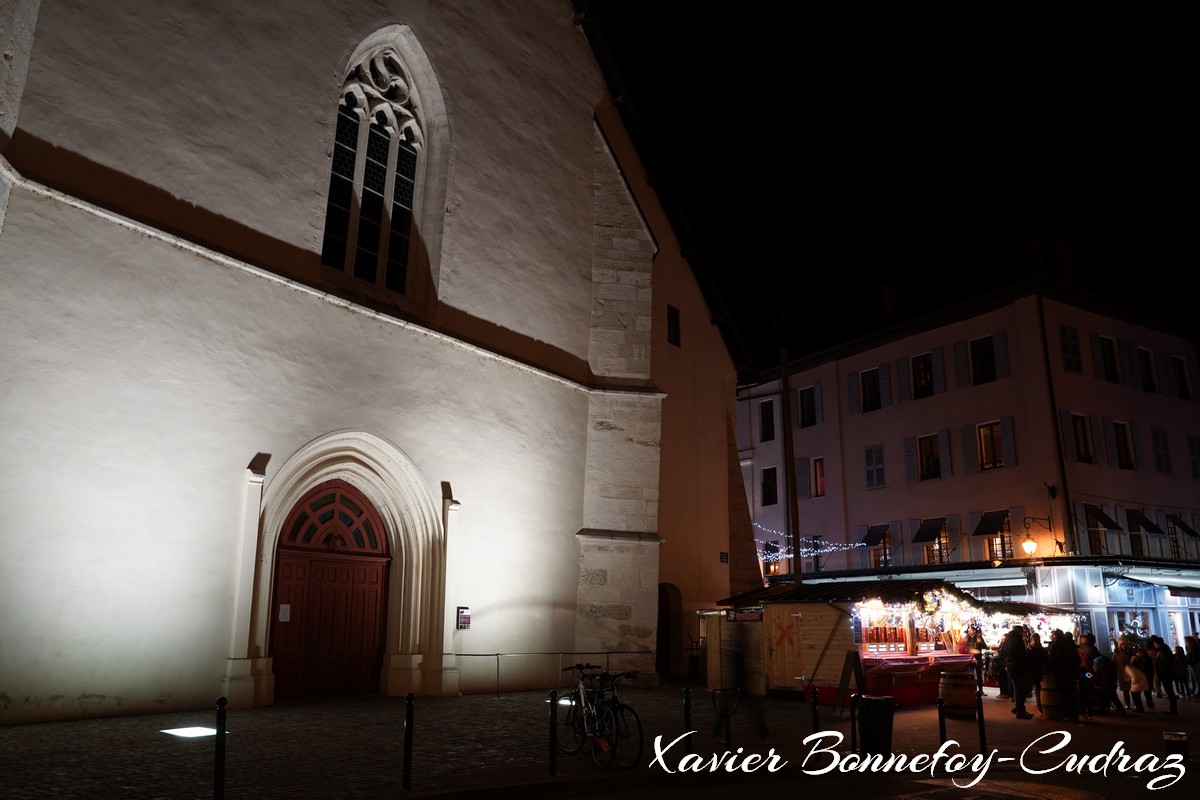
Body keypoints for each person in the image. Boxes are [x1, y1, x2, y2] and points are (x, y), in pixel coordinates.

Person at [1048, 629, 1081, 723]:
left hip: (1061, 674)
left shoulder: (1055, 645)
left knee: (1064, 695)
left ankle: (1068, 715)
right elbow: (1077, 659)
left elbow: (1052, 660)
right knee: (1073, 694)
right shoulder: (1070, 645)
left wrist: (1054, 672)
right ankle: (1075, 715)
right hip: (1072, 674)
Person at [1000, 624, 1033, 718]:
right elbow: (1022, 655)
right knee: (1021, 689)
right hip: (1018, 668)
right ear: (1020, 631)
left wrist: (1007, 664)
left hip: (1011, 667)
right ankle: (1020, 710)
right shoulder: (1017, 640)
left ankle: (1019, 708)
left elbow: (1003, 653)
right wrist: (1027, 666)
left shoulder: (1007, 640)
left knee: (1017, 688)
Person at [1090, 650, 1125, 714]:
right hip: (1110, 686)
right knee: (1113, 697)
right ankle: (1119, 709)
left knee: (1103, 699)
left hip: (1103, 687)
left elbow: (1095, 678)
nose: (1094, 666)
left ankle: (1104, 710)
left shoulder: (1099, 671)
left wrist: (1087, 674)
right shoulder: (1108, 668)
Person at [1151, 636, 1178, 715]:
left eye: (1155, 643)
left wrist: (1162, 676)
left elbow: (1165, 665)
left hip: (1165, 675)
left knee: (1170, 692)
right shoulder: (1164, 650)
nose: (1154, 645)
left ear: (1158, 643)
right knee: (1170, 692)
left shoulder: (1163, 652)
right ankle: (1172, 708)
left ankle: (1173, 709)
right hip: (1166, 675)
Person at [1123, 644, 1148, 712]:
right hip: (1140, 679)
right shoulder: (1135, 661)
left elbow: (1133, 675)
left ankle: (1139, 707)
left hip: (1137, 680)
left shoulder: (1129, 666)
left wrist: (1091, 677)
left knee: (1135, 694)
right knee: (1135, 694)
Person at [1027, 632, 1047, 715]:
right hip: (1030, 672)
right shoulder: (1028, 649)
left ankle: (1040, 708)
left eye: (1036, 639)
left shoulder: (1041, 650)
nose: (1034, 641)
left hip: (1038, 673)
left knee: (1038, 691)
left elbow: (1044, 661)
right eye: (1033, 639)